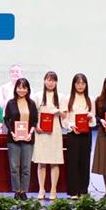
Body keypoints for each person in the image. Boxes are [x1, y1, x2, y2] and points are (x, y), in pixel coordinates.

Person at [32, 71, 66, 200]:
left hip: (55, 132)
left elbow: (65, 115)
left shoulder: (61, 96)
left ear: (56, 82)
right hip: (41, 131)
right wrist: (36, 126)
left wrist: (58, 112)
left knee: (54, 162)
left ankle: (53, 190)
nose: (50, 83)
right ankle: (41, 189)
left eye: (53, 80)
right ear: (44, 80)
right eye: (48, 80)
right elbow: (33, 114)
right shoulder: (37, 95)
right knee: (41, 162)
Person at [4, 78, 38, 200]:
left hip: (28, 139)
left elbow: (35, 120)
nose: (21, 90)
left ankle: (23, 191)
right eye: (19, 87)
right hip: (13, 139)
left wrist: (30, 133)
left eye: (24, 88)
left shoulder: (32, 104)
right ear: (15, 89)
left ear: (28, 89)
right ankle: (16, 191)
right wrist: (12, 132)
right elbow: (6, 119)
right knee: (14, 167)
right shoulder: (10, 103)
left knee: (26, 167)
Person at [65, 73, 96, 199]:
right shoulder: (67, 98)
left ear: (86, 85)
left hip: (86, 134)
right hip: (72, 134)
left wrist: (91, 117)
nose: (80, 86)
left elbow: (93, 121)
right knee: (72, 162)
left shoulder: (90, 99)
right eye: (78, 83)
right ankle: (73, 192)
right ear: (74, 84)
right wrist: (71, 126)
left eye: (83, 83)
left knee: (85, 162)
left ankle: (83, 191)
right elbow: (65, 119)